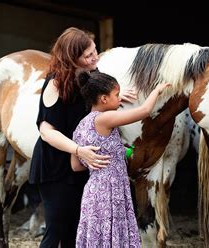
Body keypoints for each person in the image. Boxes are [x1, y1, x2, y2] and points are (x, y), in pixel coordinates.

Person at [28, 27, 136, 248]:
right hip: (56, 165)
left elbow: (97, 102)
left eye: (95, 51)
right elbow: (47, 131)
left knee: (76, 232)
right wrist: (78, 149)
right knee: (56, 230)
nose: (95, 57)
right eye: (88, 55)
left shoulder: (92, 76)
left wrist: (114, 98)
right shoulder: (56, 84)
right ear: (72, 58)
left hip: (82, 164)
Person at [70, 70, 171, 247]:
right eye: (117, 95)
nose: (120, 99)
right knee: (114, 236)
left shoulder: (80, 126)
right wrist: (157, 90)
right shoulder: (105, 118)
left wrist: (119, 154)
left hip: (93, 191)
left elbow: (76, 166)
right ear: (104, 99)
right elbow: (145, 111)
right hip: (111, 190)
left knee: (98, 238)